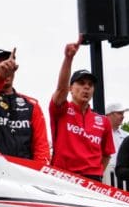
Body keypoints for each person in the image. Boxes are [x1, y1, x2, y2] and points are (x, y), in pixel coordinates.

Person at [0, 48, 50, 165]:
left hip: (25, 175)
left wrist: (40, 175)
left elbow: (41, 148)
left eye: (8, 64)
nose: (5, 68)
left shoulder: (32, 105)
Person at [49, 38, 115, 180]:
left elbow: (107, 154)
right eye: (81, 83)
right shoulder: (62, 109)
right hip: (63, 177)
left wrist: (96, 175)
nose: (86, 87)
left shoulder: (103, 121)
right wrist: (68, 59)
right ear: (70, 88)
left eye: (90, 85)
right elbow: (60, 90)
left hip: (92, 180)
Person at [103, 102, 129, 185]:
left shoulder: (128, 136)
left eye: (123, 113)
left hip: (123, 177)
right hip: (105, 176)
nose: (122, 116)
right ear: (109, 114)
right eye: (119, 113)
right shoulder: (99, 132)